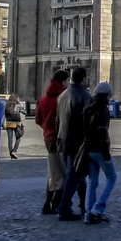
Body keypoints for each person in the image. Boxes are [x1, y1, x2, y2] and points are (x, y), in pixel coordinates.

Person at [56, 67, 92, 221]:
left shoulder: (62, 95)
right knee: (74, 175)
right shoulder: (85, 96)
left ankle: (84, 206)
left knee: (77, 175)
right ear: (84, 78)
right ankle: (64, 208)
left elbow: (57, 119)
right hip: (77, 140)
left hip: (62, 138)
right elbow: (87, 122)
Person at [35, 69, 69, 215]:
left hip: (48, 138)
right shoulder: (63, 98)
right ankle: (54, 204)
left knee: (53, 173)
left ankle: (49, 203)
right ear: (64, 81)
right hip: (60, 138)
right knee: (62, 174)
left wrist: (46, 128)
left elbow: (37, 119)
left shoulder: (43, 99)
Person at [83, 82, 117, 224]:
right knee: (111, 177)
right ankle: (98, 208)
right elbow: (103, 132)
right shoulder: (102, 109)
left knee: (92, 181)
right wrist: (107, 155)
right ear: (108, 95)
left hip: (88, 147)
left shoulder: (88, 106)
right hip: (99, 148)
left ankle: (89, 213)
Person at [4, 94, 25, 160]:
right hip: (17, 124)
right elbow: (25, 112)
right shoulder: (18, 106)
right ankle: (14, 151)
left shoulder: (7, 105)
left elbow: (5, 115)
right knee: (18, 137)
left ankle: (11, 153)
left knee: (10, 140)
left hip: (9, 124)